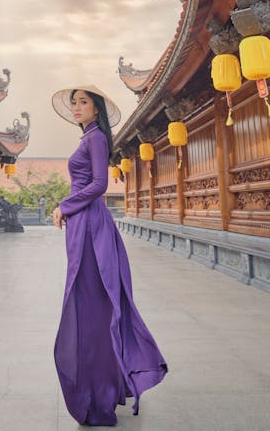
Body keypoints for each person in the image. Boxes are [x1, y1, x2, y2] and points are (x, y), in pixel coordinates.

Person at [52, 85, 168, 427]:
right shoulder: (87, 138)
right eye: (74, 102)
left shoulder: (96, 138)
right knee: (90, 304)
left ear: (97, 108)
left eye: (83, 102)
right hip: (82, 224)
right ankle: (102, 386)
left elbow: (100, 184)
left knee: (92, 306)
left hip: (90, 225)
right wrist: (69, 209)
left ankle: (100, 391)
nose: (76, 106)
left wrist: (64, 205)